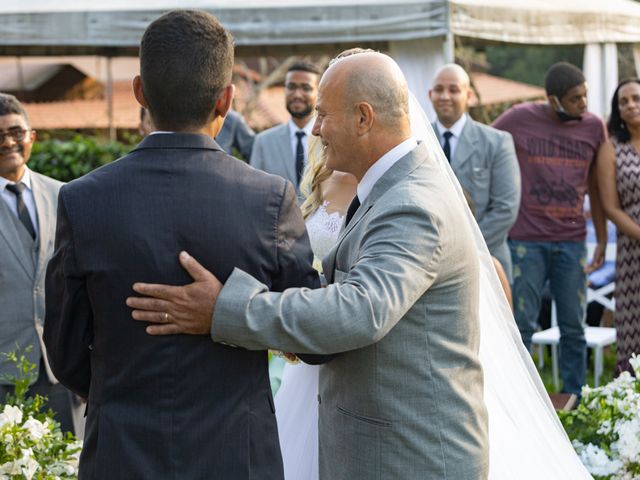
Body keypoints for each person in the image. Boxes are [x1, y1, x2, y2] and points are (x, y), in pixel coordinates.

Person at [128, 52, 594, 479]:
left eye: (323, 115)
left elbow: (359, 311)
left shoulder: (413, 204)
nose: (314, 130)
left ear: (364, 118)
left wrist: (223, 310)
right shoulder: (391, 188)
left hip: (409, 458)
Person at [43, 10, 319, 478]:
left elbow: (65, 351)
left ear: (139, 93)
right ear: (226, 100)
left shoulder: (82, 199)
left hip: (122, 452)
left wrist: (121, 391)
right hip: (237, 451)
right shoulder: (270, 199)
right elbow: (310, 330)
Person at [493, 61, 608, 397]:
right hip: (526, 241)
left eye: (585, 96)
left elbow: (598, 189)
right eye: (575, 99)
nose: (583, 104)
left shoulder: (594, 127)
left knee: (574, 326)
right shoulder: (518, 118)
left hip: (572, 242)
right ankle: (523, 400)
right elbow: (485, 144)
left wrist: (601, 236)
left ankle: (576, 400)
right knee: (522, 326)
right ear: (553, 100)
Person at [0, 93, 75, 433]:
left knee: (63, 466)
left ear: (32, 136)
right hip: (3, 373)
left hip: (58, 368)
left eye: (15, 131)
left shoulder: (65, 196)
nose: (8, 142)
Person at [429, 63, 520, 281]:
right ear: (430, 95)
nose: (445, 96)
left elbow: (506, 208)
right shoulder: (418, 142)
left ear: (469, 95)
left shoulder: (497, 142)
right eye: (439, 90)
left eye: (454, 90)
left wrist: (462, 249)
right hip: (430, 264)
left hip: (488, 260)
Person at [597, 78, 640, 375]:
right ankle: (631, 404)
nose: (630, 105)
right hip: (632, 249)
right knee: (634, 325)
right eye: (623, 102)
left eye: (636, 98)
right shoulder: (611, 149)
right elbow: (611, 208)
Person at [250, 61, 320, 193]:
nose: (297, 94)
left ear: (318, 92)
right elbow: (255, 190)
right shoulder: (263, 142)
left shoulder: (329, 141)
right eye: (291, 87)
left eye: (306, 88)